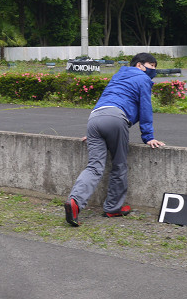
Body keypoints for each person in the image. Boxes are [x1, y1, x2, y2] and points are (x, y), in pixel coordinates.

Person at [64, 52, 166, 227]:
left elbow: (107, 98)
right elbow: (145, 108)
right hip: (116, 118)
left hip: (95, 118)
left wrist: (95, 132)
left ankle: (75, 201)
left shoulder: (118, 76)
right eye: (152, 66)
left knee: (94, 166)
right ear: (139, 65)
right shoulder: (142, 78)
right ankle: (112, 207)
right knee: (119, 165)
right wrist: (148, 137)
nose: (153, 70)